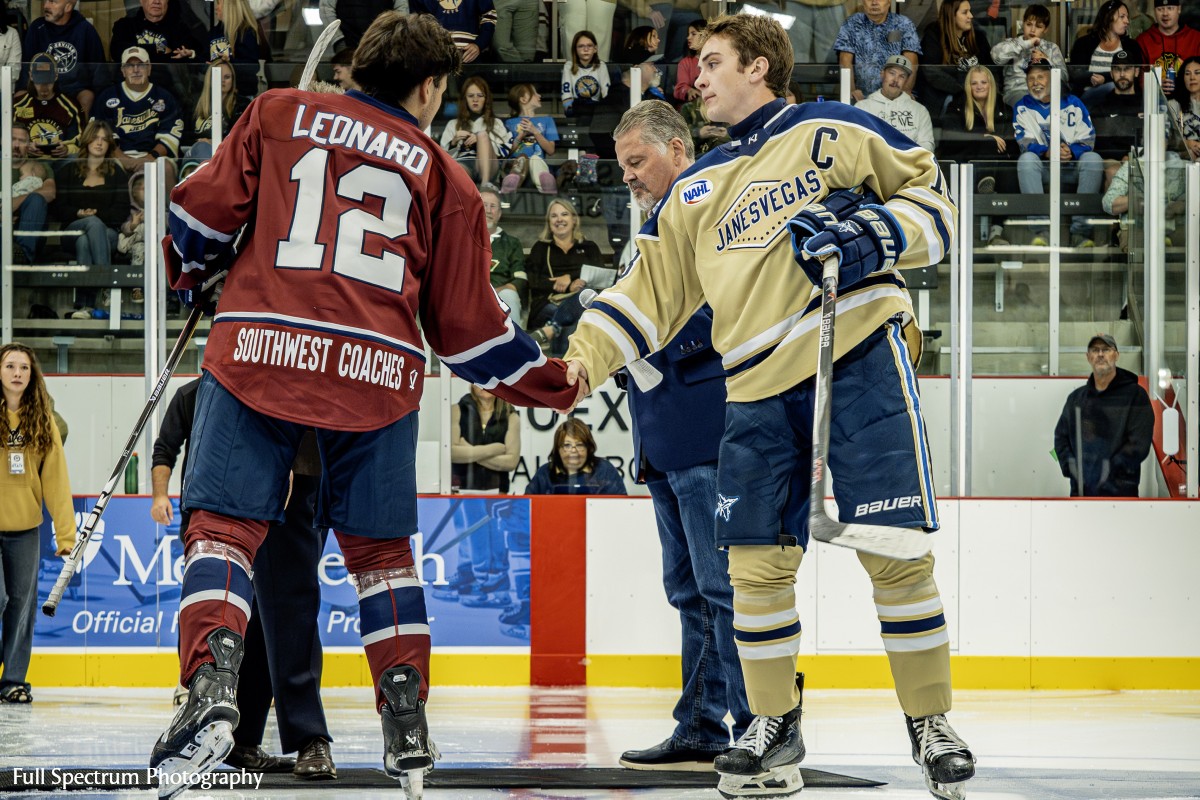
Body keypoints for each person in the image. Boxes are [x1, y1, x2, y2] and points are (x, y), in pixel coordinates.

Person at [150, 12, 579, 794]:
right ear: (430, 87)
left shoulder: (277, 112)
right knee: (383, 559)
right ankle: (405, 717)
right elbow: (469, 334)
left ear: (356, 67)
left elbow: (193, 217)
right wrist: (557, 381)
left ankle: (210, 684)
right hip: (376, 374)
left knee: (223, 532)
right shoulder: (445, 178)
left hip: (259, 352)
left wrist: (199, 273)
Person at [562, 13, 973, 800]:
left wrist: (875, 235)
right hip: (751, 385)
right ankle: (774, 723)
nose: (698, 78)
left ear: (758, 66)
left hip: (855, 353)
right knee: (753, 567)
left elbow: (934, 202)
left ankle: (931, 721)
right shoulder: (697, 188)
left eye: (713, 62)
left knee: (894, 546)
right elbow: (646, 295)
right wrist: (580, 363)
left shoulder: (830, 129)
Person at [607, 99, 753, 773]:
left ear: (678, 150)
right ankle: (700, 725)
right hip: (665, 438)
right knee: (691, 592)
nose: (629, 177)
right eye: (623, 166)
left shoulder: (715, 214)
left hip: (705, 433)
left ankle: (756, 725)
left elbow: (725, 310)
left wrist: (644, 341)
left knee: (723, 589)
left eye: (638, 161)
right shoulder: (649, 233)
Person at [150, 378, 336, 777]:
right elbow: (166, 448)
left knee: (284, 603)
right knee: (258, 605)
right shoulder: (195, 392)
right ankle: (266, 736)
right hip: (243, 473)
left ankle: (289, 735)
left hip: (301, 468)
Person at [0, 343, 76, 705]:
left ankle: (13, 680)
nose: (17, 373)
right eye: (10, 366)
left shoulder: (44, 420)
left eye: (24, 368)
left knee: (22, 605)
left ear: (32, 376)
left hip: (25, 529)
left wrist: (66, 534)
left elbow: (56, 480)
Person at [1014, 56, 1105, 247]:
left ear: (1052, 78)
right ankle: (1041, 232)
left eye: (1040, 77)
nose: (1035, 83)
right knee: (1026, 160)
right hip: (1044, 169)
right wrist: (1048, 152)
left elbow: (1088, 137)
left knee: (1093, 159)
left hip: (1071, 167)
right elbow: (1024, 142)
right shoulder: (1022, 106)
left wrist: (1071, 151)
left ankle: (1080, 233)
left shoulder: (1073, 103)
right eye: (1031, 78)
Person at [1053, 334, 1154, 497]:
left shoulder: (1136, 395)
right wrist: (1073, 468)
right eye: (1095, 350)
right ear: (1088, 357)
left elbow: (1139, 443)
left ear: (1116, 355)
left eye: (1106, 349)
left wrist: (1109, 471)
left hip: (1121, 495)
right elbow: (1061, 437)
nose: (1100, 354)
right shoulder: (1076, 399)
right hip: (1081, 496)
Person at [92, 47, 184, 185]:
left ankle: (168, 202)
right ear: (123, 70)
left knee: (166, 168)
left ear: (149, 68)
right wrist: (123, 159)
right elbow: (98, 134)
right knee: (102, 168)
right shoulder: (107, 96)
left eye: (141, 65)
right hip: (116, 157)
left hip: (154, 157)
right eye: (130, 65)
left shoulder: (165, 97)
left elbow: (171, 135)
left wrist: (149, 158)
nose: (135, 70)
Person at [525, 198, 602, 355]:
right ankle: (566, 365)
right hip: (548, 303)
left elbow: (602, 276)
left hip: (580, 300)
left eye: (564, 214)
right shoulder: (541, 248)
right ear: (549, 222)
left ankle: (553, 327)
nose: (559, 219)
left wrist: (570, 278)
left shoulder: (589, 247)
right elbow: (532, 281)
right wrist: (563, 286)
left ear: (574, 219)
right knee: (577, 318)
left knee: (583, 297)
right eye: (554, 216)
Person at [52, 120, 131, 270]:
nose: (99, 143)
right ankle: (105, 279)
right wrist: (78, 213)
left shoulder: (117, 173)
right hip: (72, 230)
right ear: (87, 140)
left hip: (108, 232)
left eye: (104, 139)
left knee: (84, 241)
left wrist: (96, 213)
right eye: (95, 138)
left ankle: (87, 286)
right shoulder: (67, 171)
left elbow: (120, 212)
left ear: (109, 144)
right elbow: (58, 208)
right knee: (92, 223)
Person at [20, 0, 108, 116]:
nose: (45, 6)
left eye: (53, 2)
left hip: (74, 90)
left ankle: (80, 128)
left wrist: (102, 97)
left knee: (87, 96)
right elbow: (26, 67)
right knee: (20, 96)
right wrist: (23, 91)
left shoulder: (85, 29)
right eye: (46, 1)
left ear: (68, 7)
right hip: (42, 87)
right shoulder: (37, 27)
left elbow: (99, 72)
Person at [915, 0, 993, 121]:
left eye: (970, 11)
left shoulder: (978, 36)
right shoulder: (934, 34)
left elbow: (990, 69)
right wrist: (964, 88)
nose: (971, 16)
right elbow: (932, 72)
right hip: (946, 96)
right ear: (951, 15)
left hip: (977, 92)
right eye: (965, 12)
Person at [109, 0, 201, 98]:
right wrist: (159, 48)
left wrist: (137, 50)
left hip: (168, 91)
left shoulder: (180, 28)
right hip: (129, 90)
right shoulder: (125, 25)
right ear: (141, 1)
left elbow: (186, 54)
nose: (156, 1)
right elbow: (118, 51)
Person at [834, 0, 921, 101]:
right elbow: (845, 60)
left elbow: (912, 62)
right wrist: (851, 92)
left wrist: (904, 94)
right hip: (861, 97)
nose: (874, 2)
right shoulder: (852, 23)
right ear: (863, 2)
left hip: (894, 96)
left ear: (889, 2)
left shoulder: (903, 23)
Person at [1068, 0, 1146, 103]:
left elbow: (1135, 75)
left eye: (1127, 17)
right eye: (1122, 17)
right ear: (1108, 17)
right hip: (1089, 102)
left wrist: (1105, 78)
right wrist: (1092, 79)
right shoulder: (1083, 43)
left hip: (1122, 101)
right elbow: (1076, 75)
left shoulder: (1131, 46)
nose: (1127, 21)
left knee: (1111, 87)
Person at [439, 75, 510, 188]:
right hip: (464, 164)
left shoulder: (496, 123)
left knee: (482, 135)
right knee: (458, 169)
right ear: (465, 99)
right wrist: (453, 143)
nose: (475, 99)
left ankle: (485, 186)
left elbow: (505, 152)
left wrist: (482, 140)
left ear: (486, 99)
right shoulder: (453, 124)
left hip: (489, 168)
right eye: (471, 96)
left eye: (480, 95)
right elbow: (442, 159)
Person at [991, 3, 1066, 108]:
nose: (1032, 30)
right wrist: (1026, 44)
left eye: (1038, 26)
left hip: (1044, 92)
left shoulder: (1051, 48)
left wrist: (1047, 61)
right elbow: (996, 57)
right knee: (1030, 106)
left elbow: (1064, 77)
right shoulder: (1011, 44)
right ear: (1023, 23)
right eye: (1029, 24)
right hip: (1017, 92)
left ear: (1045, 29)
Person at [855, 55, 936, 151]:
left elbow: (927, 147)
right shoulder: (862, 108)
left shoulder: (920, 111)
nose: (895, 80)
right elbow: (856, 143)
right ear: (882, 74)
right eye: (892, 73)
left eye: (902, 76)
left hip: (908, 160)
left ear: (906, 81)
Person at [525, 419, 627, 495]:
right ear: (558, 448)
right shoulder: (545, 473)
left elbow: (621, 507)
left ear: (588, 447)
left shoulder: (604, 471)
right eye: (567, 445)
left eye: (579, 445)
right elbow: (526, 507)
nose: (573, 451)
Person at [13, 52, 83, 158]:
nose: (44, 89)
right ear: (31, 76)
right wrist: (25, 148)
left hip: (60, 162)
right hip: (27, 161)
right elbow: (9, 139)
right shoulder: (18, 104)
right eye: (39, 82)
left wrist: (67, 149)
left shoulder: (71, 106)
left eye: (48, 83)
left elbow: (81, 140)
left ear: (56, 76)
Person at [182, 58, 251, 165]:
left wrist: (215, 142)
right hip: (195, 155)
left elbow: (240, 137)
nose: (223, 81)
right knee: (202, 147)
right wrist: (200, 142)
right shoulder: (194, 102)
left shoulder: (242, 105)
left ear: (233, 80)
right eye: (218, 76)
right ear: (209, 79)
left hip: (227, 155)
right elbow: (183, 136)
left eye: (227, 77)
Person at [10, 122, 58, 265]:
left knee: (37, 199)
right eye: (12, 139)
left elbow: (50, 193)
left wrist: (16, 202)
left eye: (22, 141)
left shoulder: (40, 167)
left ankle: (21, 255)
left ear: (28, 145)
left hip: (27, 226)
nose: (16, 145)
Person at [500, 83, 559, 195]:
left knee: (535, 159)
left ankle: (545, 185)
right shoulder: (508, 123)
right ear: (523, 99)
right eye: (535, 93)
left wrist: (535, 131)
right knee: (521, 160)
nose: (539, 96)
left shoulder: (547, 120)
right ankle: (512, 182)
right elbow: (506, 152)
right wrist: (520, 136)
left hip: (537, 164)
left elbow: (551, 150)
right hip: (515, 165)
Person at [480, 187, 527, 324]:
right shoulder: (462, 240)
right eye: (484, 205)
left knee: (509, 295)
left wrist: (494, 293)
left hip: (501, 297)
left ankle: (513, 338)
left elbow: (520, 279)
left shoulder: (512, 243)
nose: (488, 210)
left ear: (499, 213)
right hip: (467, 296)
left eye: (493, 206)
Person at [1088, 49, 1144, 164]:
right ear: (1111, 74)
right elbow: (1100, 144)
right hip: (1111, 162)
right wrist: (1120, 159)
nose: (1122, 74)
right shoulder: (1101, 106)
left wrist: (1132, 157)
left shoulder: (1147, 104)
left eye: (1127, 69)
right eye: (1117, 69)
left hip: (1143, 161)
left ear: (1136, 72)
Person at [1136, 0, 1200, 95]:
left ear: (1179, 9)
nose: (1165, 13)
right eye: (1160, 9)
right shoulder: (1143, 40)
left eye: (1170, 8)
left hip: (1190, 99)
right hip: (1155, 98)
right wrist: (1155, 85)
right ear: (1154, 11)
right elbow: (1138, 76)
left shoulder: (1196, 38)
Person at [208, 0, 265, 97]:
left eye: (219, 4)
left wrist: (229, 62)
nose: (216, 8)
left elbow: (252, 66)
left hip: (242, 94)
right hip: (216, 93)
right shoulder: (215, 31)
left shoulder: (247, 32)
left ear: (230, 7)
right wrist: (192, 55)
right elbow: (206, 58)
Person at [410, 0, 496, 63]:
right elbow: (416, 22)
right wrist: (428, 49)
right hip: (435, 57)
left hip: (469, 56)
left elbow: (489, 15)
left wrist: (479, 45)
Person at [318, 0, 408, 51]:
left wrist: (394, 39)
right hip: (348, 45)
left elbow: (401, 10)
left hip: (383, 45)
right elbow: (326, 9)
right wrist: (339, 41)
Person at [561, 30, 611, 117]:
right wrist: (569, 109)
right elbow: (566, 94)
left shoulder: (601, 65)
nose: (586, 49)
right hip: (576, 109)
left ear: (595, 49)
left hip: (596, 110)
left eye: (589, 46)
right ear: (575, 49)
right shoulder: (569, 66)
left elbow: (606, 93)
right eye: (581, 46)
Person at [1168, 55, 1200, 158]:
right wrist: (1188, 143)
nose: (1192, 78)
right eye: (1187, 73)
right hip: (1181, 158)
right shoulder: (1173, 105)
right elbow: (1166, 139)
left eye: (1197, 73)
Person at [118, 173, 147, 266]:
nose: (149, 192)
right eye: (144, 189)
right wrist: (133, 224)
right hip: (137, 245)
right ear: (134, 193)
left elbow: (167, 223)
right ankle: (137, 271)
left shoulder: (162, 211)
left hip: (157, 243)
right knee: (138, 248)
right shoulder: (132, 212)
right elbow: (124, 228)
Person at [673, 18, 705, 103]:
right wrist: (689, 90)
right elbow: (680, 88)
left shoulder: (715, 61)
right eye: (688, 34)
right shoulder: (685, 63)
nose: (688, 38)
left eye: (693, 34)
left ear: (705, 36)